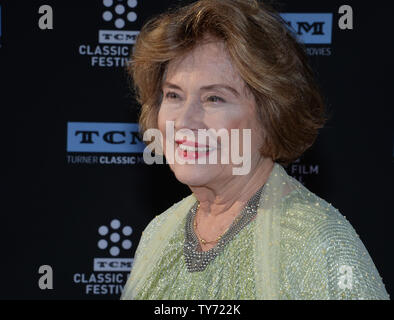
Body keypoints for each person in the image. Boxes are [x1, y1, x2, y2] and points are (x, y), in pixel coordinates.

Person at [121, 0, 389, 299]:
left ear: (270, 114)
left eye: (214, 99)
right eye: (173, 95)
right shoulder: (159, 233)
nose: (184, 121)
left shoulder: (317, 240)